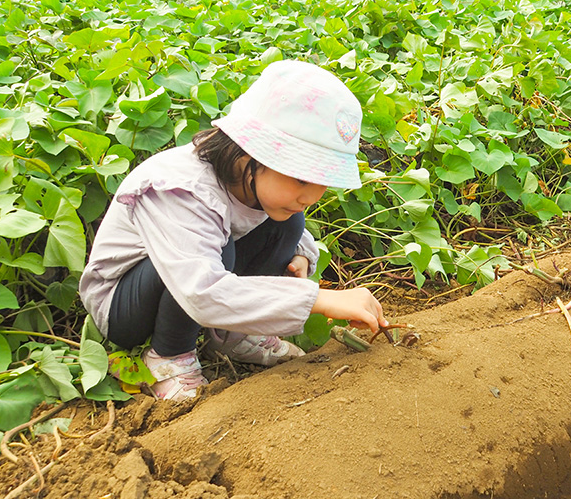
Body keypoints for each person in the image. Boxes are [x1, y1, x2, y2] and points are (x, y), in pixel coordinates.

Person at [78, 60, 388, 400]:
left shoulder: (255, 186)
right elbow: (201, 290)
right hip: (124, 304)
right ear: (251, 153)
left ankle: (234, 336)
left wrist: (298, 251)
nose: (311, 196)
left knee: (290, 224)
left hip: (198, 279)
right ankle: (168, 357)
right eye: (301, 178)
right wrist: (320, 298)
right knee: (222, 250)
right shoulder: (182, 189)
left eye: (323, 184)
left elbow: (281, 229)